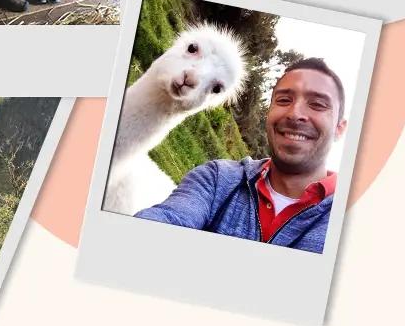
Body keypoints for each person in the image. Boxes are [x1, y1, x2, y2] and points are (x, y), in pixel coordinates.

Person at [136, 58, 350, 253]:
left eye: (317, 105)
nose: (295, 114)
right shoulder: (217, 178)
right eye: (284, 100)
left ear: (339, 129)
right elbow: (167, 219)